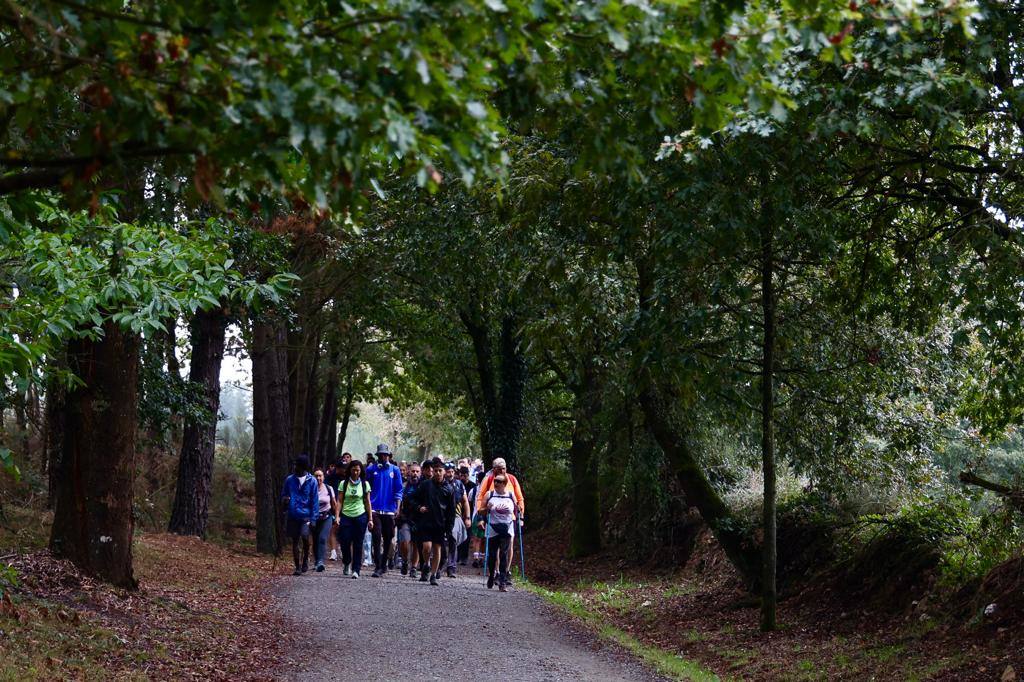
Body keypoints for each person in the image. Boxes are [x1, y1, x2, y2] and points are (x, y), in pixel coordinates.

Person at [408, 458, 456, 586]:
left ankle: (433, 575)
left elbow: (451, 512)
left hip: (441, 524)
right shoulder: (425, 485)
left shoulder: (449, 489)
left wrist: (449, 529)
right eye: (436, 471)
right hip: (426, 522)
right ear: (432, 472)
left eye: (440, 470)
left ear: (444, 472)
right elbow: (412, 499)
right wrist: (419, 507)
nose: (438, 473)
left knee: (437, 548)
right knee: (427, 547)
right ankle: (427, 564)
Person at [476, 458, 524, 580]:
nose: (502, 470)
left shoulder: (512, 479)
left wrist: (521, 516)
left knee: (509, 545)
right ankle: (496, 571)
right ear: (494, 469)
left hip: (510, 518)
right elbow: (480, 498)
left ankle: (506, 571)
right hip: (492, 517)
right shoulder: (489, 479)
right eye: (499, 468)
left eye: (503, 468)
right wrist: (481, 516)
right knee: (495, 547)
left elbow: (519, 498)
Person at [366, 443, 404, 578]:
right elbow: (367, 488)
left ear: (388, 456)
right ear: (377, 456)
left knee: (388, 538)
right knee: (376, 537)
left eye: (385, 455)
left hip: (389, 510)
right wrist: (368, 508)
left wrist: (397, 508)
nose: (383, 457)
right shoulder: (371, 469)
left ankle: (384, 564)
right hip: (375, 509)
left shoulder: (395, 470)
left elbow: (399, 490)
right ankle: (377, 566)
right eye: (380, 455)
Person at [336, 459, 373, 579]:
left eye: (358, 470)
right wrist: (337, 516)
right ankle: (347, 562)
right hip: (346, 516)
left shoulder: (364, 484)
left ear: (361, 471)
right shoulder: (344, 483)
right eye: (353, 470)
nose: (356, 472)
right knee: (344, 541)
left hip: (360, 516)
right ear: (350, 470)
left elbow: (367, 502)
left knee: (358, 543)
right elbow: (340, 501)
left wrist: (370, 519)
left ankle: (356, 569)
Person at [281, 456, 318, 576]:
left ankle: (306, 558)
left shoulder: (312, 481)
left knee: (305, 537)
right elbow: (284, 494)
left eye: (297, 465)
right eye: (295, 465)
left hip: (306, 516)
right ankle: (297, 566)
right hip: (293, 514)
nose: (295, 467)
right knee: (295, 540)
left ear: (303, 467)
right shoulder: (289, 480)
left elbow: (315, 501)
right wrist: (285, 500)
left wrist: (313, 518)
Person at [480, 474, 517, 592]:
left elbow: (517, 508)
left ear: (505, 484)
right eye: (495, 481)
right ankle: (492, 575)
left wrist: (520, 512)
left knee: (504, 554)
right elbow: (480, 511)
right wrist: (487, 509)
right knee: (492, 555)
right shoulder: (489, 494)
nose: (496, 483)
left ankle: (502, 581)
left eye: (499, 482)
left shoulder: (511, 495)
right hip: (492, 528)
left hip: (507, 527)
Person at [443, 463, 471, 578]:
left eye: (452, 472)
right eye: (448, 471)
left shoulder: (459, 484)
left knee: (453, 540)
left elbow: (465, 502)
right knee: (441, 542)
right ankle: (440, 563)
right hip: (442, 517)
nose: (450, 474)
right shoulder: (440, 484)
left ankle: (451, 567)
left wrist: (468, 517)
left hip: (456, 517)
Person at [397, 462, 422, 576]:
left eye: (417, 472)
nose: (415, 474)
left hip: (419, 518)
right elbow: (399, 500)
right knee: (405, 541)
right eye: (413, 471)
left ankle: (414, 567)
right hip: (405, 518)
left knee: (416, 544)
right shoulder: (403, 486)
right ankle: (405, 561)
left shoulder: (423, 487)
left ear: (420, 473)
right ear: (408, 472)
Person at [312, 468, 338, 572]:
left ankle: (321, 562)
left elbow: (334, 503)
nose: (318, 478)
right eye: (316, 476)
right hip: (314, 518)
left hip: (326, 517)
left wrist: (337, 516)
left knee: (322, 538)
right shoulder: (310, 488)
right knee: (315, 540)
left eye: (320, 475)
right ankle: (316, 560)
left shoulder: (328, 488)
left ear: (324, 477)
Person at [324, 459, 343, 561]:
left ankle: (342, 549)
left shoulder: (347, 478)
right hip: (332, 506)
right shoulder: (330, 477)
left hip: (345, 507)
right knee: (333, 529)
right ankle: (333, 551)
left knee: (343, 529)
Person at [457, 466, 476, 565]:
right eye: (461, 475)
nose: (463, 477)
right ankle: (458, 555)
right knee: (458, 535)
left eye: (465, 475)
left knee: (467, 537)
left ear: (468, 475)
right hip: (458, 513)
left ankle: (464, 557)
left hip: (469, 513)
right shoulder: (457, 485)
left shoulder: (472, 486)